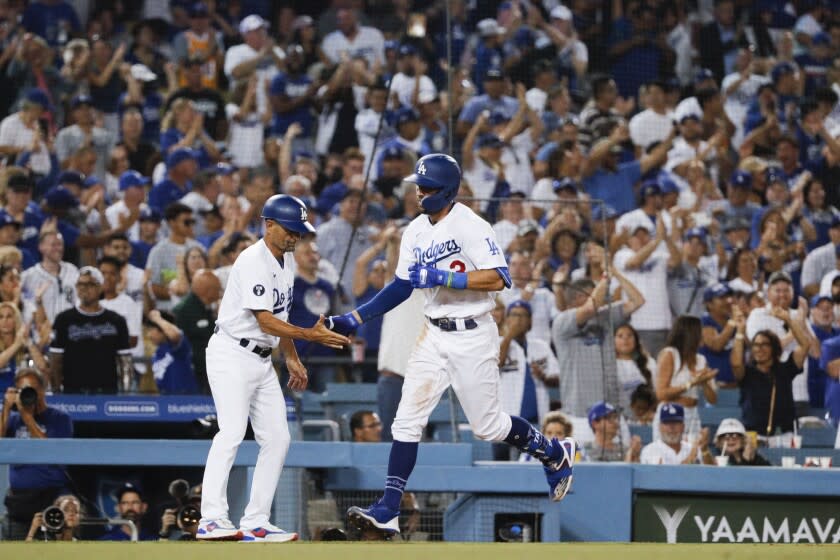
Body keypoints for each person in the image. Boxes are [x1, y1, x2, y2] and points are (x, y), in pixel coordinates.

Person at [326, 154, 576, 537]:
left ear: (447, 191)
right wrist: (355, 318)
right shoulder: (414, 231)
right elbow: (400, 286)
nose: (419, 192)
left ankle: (554, 452)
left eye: (426, 187)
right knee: (406, 422)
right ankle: (389, 507)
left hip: (473, 333)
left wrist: (444, 276)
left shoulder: (471, 225)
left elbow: (499, 277)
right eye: (418, 186)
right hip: (433, 334)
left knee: (488, 426)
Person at [198, 194, 348, 543]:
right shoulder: (253, 260)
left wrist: (292, 354)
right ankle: (210, 518)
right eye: (291, 229)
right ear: (269, 225)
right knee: (232, 432)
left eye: (300, 230)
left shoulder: (287, 262)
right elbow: (264, 320)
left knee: (278, 438)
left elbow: (279, 317)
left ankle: (255, 521)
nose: (295, 236)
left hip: (262, 359)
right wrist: (309, 334)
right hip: (232, 353)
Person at [553, 269, 646, 416]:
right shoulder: (562, 321)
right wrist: (605, 277)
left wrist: (614, 271)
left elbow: (638, 301)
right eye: (596, 293)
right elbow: (590, 307)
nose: (603, 298)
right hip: (578, 411)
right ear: (578, 297)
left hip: (611, 408)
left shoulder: (604, 316)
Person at [1, 368, 73, 540]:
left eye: (32, 389)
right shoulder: (13, 420)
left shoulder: (59, 418)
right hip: (19, 502)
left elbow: (50, 451)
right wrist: (6, 409)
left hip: (50, 498)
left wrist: (27, 417)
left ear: (42, 390)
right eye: (23, 390)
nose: (28, 394)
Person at [49, 267, 133, 394]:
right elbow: (55, 359)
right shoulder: (63, 319)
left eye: (89, 284)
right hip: (73, 393)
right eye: (80, 284)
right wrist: (57, 392)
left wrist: (126, 395)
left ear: (100, 288)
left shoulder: (116, 320)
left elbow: (125, 361)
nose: (83, 288)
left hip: (106, 393)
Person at [732, 311, 810, 437]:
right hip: (753, 434)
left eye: (764, 345)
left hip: (785, 432)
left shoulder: (785, 369)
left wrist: (789, 320)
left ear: (774, 348)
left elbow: (805, 345)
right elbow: (736, 363)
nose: (759, 349)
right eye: (755, 345)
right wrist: (740, 331)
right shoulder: (747, 373)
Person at [655, 316, 718, 440]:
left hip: (692, 415)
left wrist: (704, 382)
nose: (703, 334)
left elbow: (712, 400)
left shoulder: (701, 359)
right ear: (691, 334)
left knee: (693, 456)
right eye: (700, 331)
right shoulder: (670, 354)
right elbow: (661, 394)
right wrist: (691, 383)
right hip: (670, 416)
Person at [173, 269, 222, 394]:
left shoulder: (207, 308)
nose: (220, 293)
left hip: (209, 369)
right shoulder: (184, 310)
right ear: (207, 291)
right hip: (192, 373)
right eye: (218, 289)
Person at [640, 403, 715, 465]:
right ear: (660, 427)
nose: (671, 427)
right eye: (667, 423)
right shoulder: (650, 450)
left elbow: (713, 474)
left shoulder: (692, 448)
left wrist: (704, 449)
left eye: (675, 422)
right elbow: (662, 477)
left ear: (683, 426)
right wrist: (689, 460)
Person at [147, 309, 198, 395]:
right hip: (167, 399)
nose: (149, 334)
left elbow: (174, 335)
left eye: (151, 329)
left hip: (186, 400)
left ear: (163, 330)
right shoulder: (158, 351)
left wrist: (157, 319)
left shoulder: (178, 346)